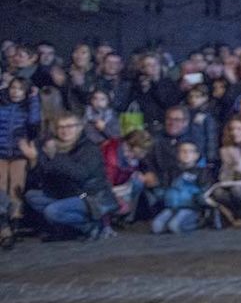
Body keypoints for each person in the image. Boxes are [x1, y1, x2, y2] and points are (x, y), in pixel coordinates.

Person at [20, 112, 116, 240]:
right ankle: (72, 226)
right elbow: (44, 175)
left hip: (89, 195)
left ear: (79, 127)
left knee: (52, 211)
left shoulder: (89, 148)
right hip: (67, 192)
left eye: (70, 126)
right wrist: (34, 159)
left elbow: (80, 174)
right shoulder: (54, 146)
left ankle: (90, 226)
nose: (65, 131)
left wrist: (56, 156)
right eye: (61, 127)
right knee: (32, 196)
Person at [0, 78, 40, 224]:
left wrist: (34, 100)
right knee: (1, 186)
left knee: (17, 187)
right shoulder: (2, 104)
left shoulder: (28, 107)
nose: (15, 92)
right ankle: (2, 219)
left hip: (19, 154)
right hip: (1, 152)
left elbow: (34, 122)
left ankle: (15, 217)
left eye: (20, 89)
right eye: (13, 88)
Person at [151, 141, 210, 235]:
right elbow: (163, 188)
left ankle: (199, 221)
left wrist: (198, 198)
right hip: (170, 207)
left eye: (190, 151)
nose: (186, 154)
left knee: (174, 226)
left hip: (190, 207)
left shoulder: (202, 172)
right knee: (156, 227)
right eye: (183, 151)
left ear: (196, 155)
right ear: (178, 154)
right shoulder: (171, 171)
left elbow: (204, 189)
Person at [101, 129, 153, 219]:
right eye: (143, 152)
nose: (144, 155)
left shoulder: (133, 156)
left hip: (120, 185)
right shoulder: (112, 158)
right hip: (100, 189)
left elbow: (141, 166)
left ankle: (126, 218)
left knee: (138, 182)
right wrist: (118, 200)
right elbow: (105, 183)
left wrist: (141, 173)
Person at [131, 53, 182, 128]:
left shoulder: (169, 83)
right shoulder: (136, 85)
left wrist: (154, 83)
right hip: (141, 125)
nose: (153, 67)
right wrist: (143, 89)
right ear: (143, 68)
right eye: (149, 65)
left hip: (164, 124)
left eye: (156, 64)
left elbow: (168, 103)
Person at [185, 85, 219, 168]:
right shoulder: (185, 112)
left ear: (205, 98)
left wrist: (210, 157)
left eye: (197, 97)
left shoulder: (207, 116)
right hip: (186, 152)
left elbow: (211, 137)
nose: (193, 99)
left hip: (201, 153)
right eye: (191, 96)